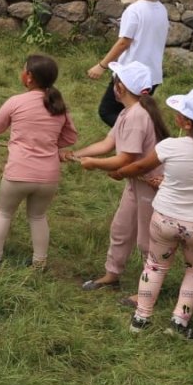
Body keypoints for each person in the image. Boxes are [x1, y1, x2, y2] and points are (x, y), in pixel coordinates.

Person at [108, 88, 193, 336]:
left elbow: (142, 166)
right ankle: (178, 322)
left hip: (164, 217)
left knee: (154, 265)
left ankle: (140, 319)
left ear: (186, 123)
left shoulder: (170, 147)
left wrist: (121, 172)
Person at [68, 61, 170, 297]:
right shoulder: (127, 112)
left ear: (121, 88)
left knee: (146, 240)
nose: (112, 86)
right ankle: (112, 274)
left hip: (150, 186)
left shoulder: (137, 117)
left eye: (115, 81)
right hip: (135, 182)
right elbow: (107, 144)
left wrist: (94, 164)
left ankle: (149, 290)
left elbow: (125, 159)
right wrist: (75, 154)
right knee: (121, 229)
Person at [0, 54, 78, 268]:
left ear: (29, 77)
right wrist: (52, 144)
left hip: (18, 172)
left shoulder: (16, 102)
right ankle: (39, 263)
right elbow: (71, 136)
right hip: (48, 177)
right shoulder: (58, 105)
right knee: (38, 216)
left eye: (23, 69)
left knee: (3, 212)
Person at [87, 0, 169, 127]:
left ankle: (138, 139)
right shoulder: (161, 8)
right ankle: (134, 142)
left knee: (108, 111)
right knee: (136, 112)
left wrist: (102, 65)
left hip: (130, 74)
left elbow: (124, 42)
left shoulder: (134, 10)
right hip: (152, 73)